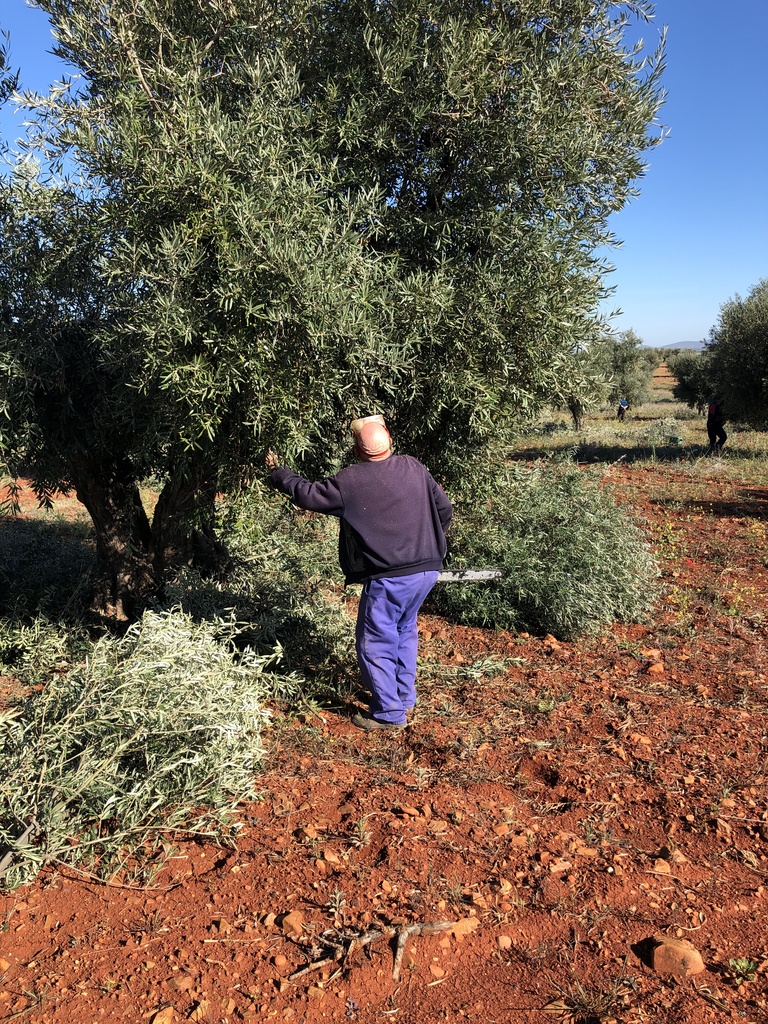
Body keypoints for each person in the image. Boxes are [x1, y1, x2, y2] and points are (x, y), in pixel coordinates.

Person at [266, 419, 452, 732]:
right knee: (404, 630)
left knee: (375, 641)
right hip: (427, 571)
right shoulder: (414, 467)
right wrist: (428, 544)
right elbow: (444, 510)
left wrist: (278, 472)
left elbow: (306, 494)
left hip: (389, 578)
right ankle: (404, 697)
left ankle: (389, 714)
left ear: (356, 449)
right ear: (389, 439)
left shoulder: (350, 480)